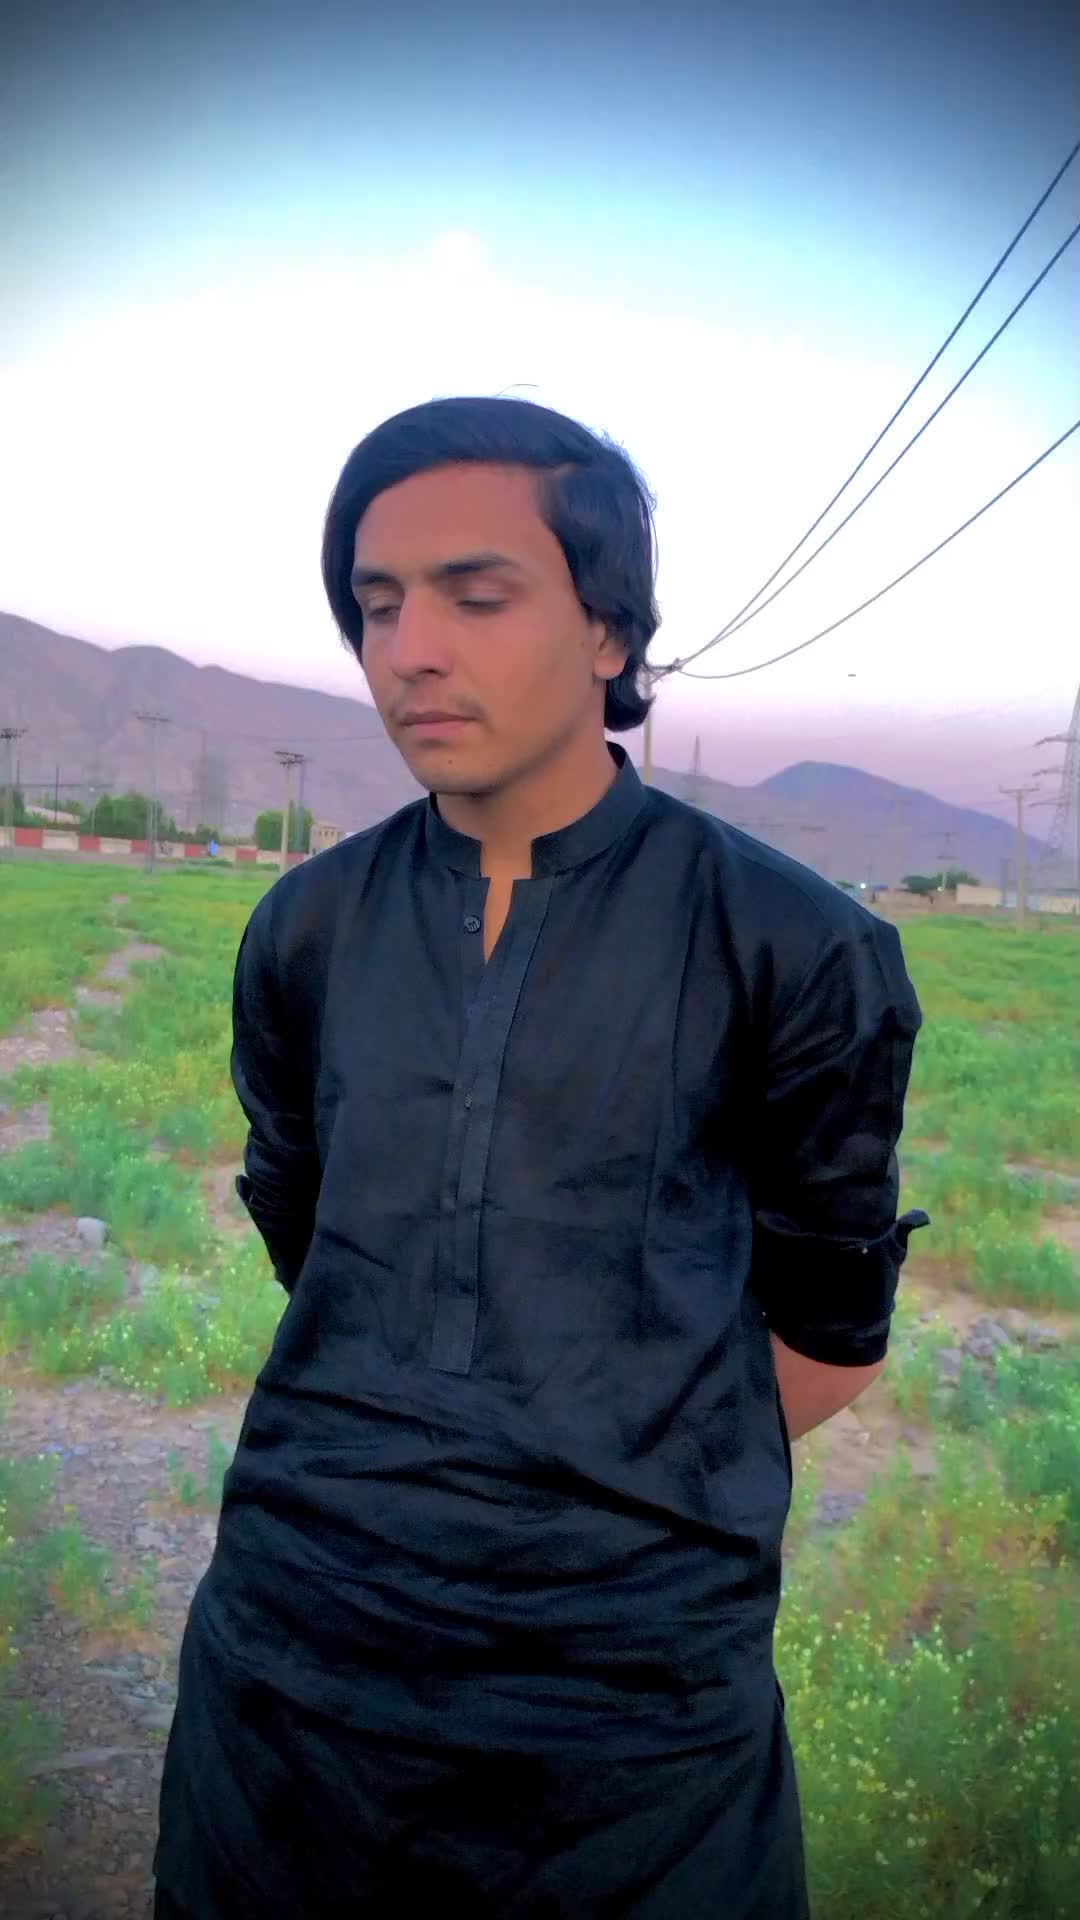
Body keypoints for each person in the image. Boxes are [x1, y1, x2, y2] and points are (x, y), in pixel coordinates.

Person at [154, 396, 928, 1918]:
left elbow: (830, 1335)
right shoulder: (305, 929)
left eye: (476, 594)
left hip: (637, 1734)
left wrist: (604, 1443)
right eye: (379, 603)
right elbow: (317, 1242)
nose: (411, 649)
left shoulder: (793, 946)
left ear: (607, 630)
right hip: (290, 1682)